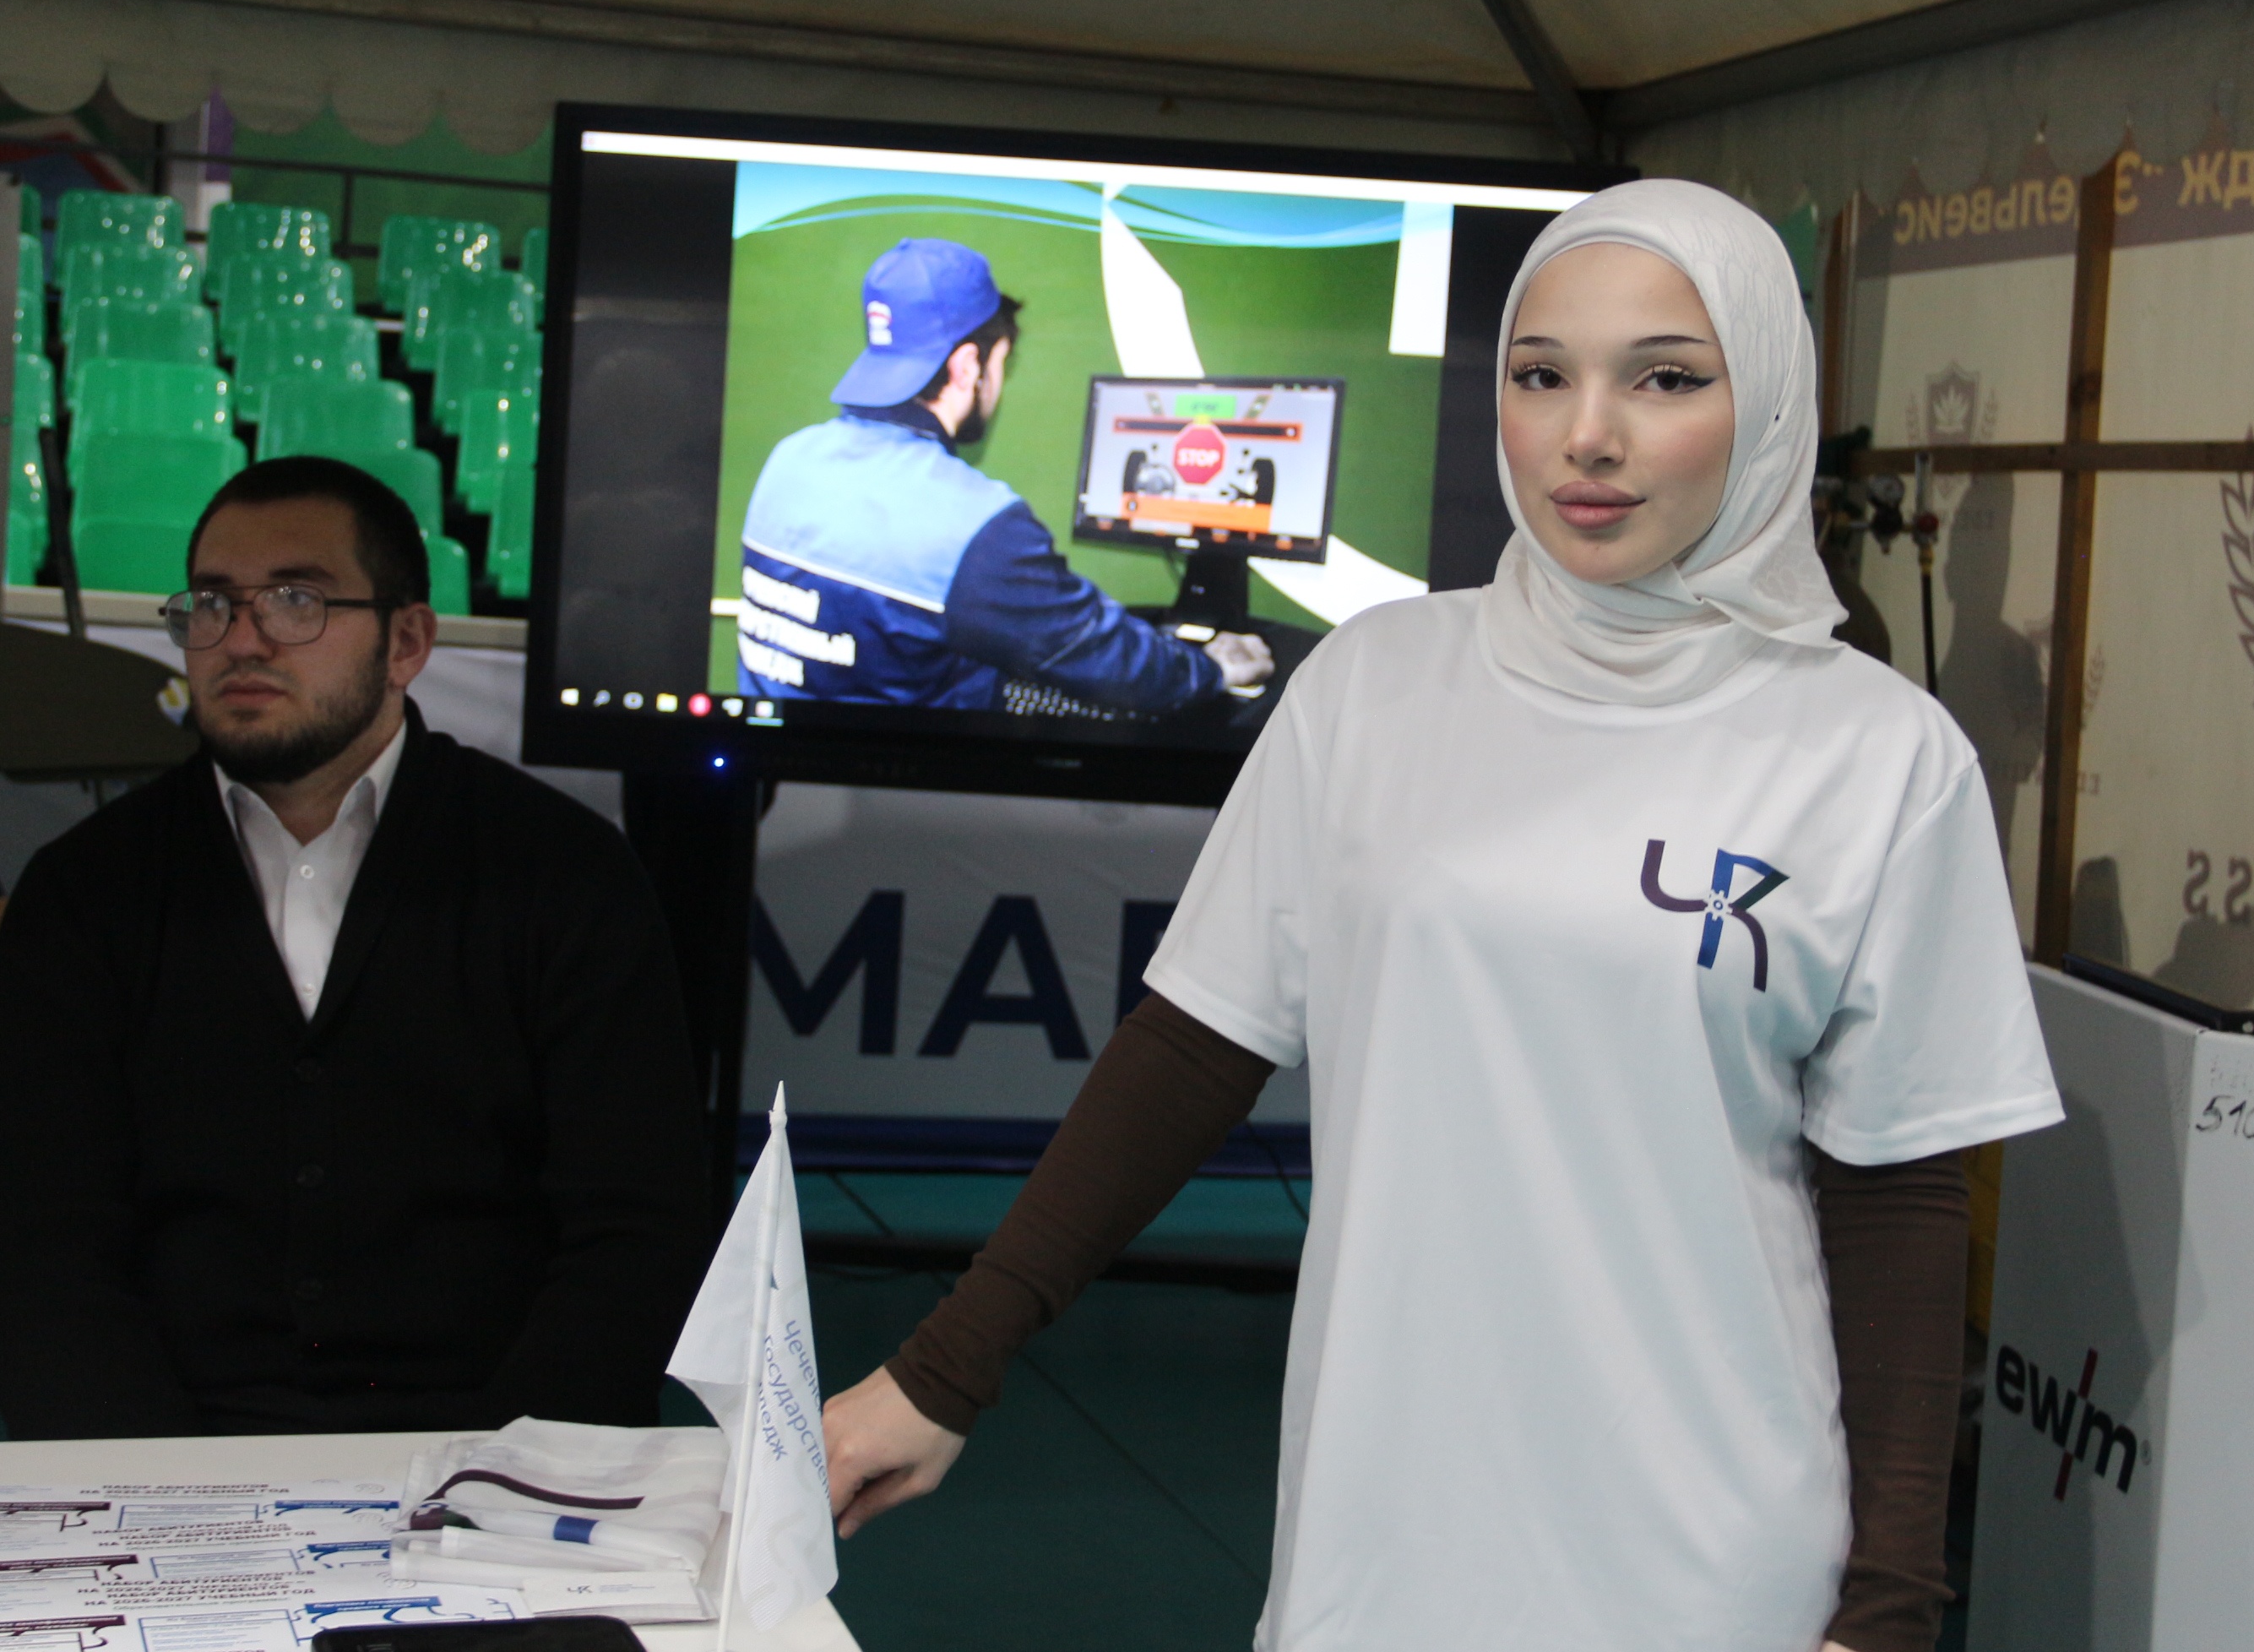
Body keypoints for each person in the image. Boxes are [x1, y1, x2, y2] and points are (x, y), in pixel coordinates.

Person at [819, 183, 2062, 1652]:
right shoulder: (1373, 685)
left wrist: (1894, 1607)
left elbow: (1898, 1198)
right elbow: (1192, 1053)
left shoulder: (1881, 757)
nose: (1587, 434)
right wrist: (942, 1370)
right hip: (1383, 1539)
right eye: (1541, 374)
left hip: (1717, 1564)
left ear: (1771, 402)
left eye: (1666, 378)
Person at [0, 456, 711, 1437]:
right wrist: (159, 1488)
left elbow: (638, 1234)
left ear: (407, 642)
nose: (241, 640)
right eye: (212, 604)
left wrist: (506, 1481)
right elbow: (33, 1253)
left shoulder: (565, 875)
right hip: (171, 1458)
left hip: (490, 1457)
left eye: (297, 601)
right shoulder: (85, 890)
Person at [736, 236, 1274, 712]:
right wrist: (1210, 669)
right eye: (1000, 364)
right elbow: (1110, 662)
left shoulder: (790, 459)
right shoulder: (974, 524)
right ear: (968, 367)